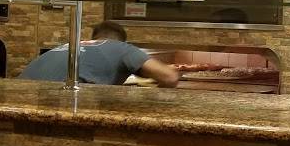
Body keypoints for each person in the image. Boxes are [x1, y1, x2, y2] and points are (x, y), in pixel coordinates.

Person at [19, 21, 179, 87]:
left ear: (94, 37)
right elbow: (169, 77)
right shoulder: (121, 47)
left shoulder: (71, 45)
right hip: (54, 107)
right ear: (121, 40)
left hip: (16, 100)